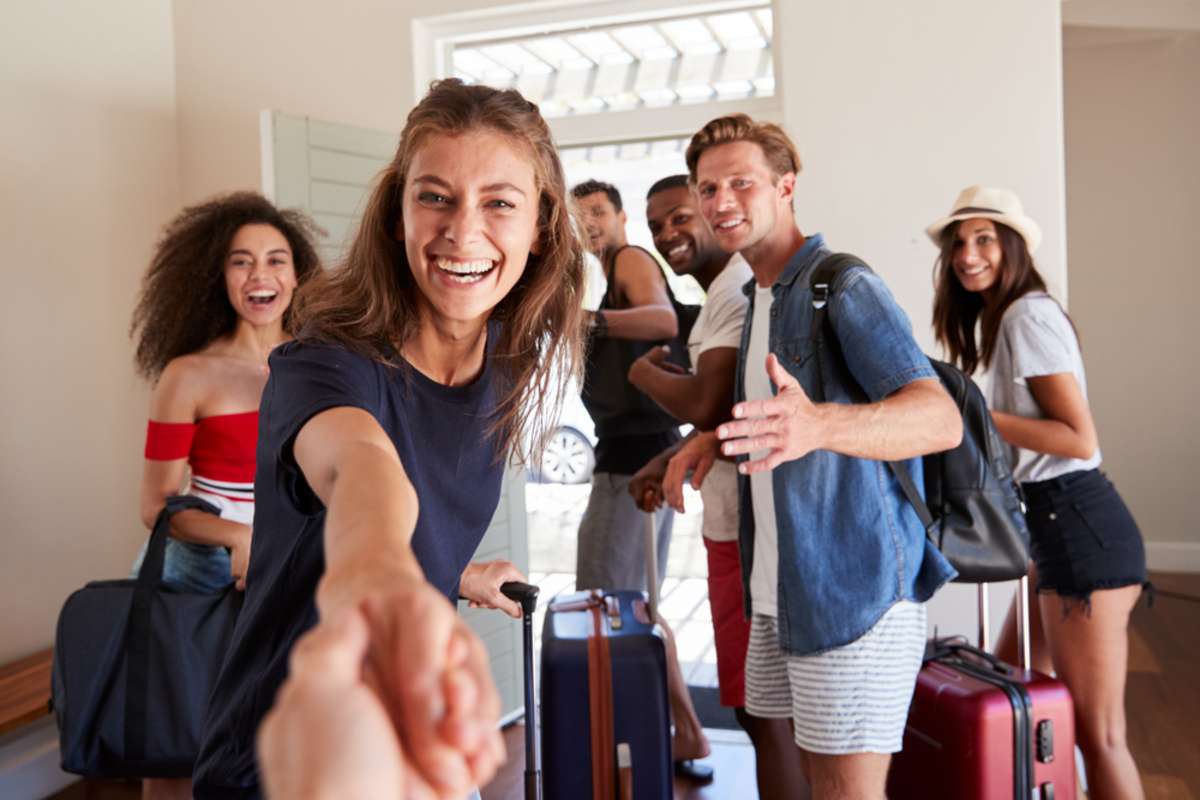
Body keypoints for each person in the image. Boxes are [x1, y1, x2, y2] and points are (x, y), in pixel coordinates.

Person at [192, 78, 587, 800]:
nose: (462, 232)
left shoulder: (502, 353)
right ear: (397, 213)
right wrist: (378, 576)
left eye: (499, 202)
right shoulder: (324, 362)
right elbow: (361, 471)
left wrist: (449, 573)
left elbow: (416, 502)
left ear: (541, 228)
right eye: (435, 196)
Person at [662, 114, 961, 799]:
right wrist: (711, 439)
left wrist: (819, 426)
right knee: (803, 776)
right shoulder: (758, 295)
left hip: (853, 592)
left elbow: (938, 419)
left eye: (741, 182)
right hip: (784, 588)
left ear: (786, 186)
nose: (721, 202)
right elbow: (782, 417)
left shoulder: (841, 285)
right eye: (708, 189)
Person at [927, 185, 1148, 800]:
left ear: (1014, 246)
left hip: (1081, 530)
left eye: (984, 239)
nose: (967, 255)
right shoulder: (1006, 320)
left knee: (1099, 736)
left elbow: (1077, 438)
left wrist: (968, 412)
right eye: (958, 244)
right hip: (1050, 531)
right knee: (1017, 690)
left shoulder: (1027, 314)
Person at [129, 191, 321, 800]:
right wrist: (238, 536)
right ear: (218, 276)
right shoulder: (188, 375)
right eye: (241, 261)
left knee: (280, 751)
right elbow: (157, 506)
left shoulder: (325, 367)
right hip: (196, 578)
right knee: (177, 747)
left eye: (276, 259)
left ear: (298, 273)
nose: (260, 275)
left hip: (285, 576)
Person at [627, 175, 803, 798]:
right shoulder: (726, 295)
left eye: (678, 217)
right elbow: (731, 413)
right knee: (761, 709)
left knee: (762, 711)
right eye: (656, 226)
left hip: (748, 536)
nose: (668, 233)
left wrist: (643, 374)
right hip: (732, 525)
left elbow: (706, 403)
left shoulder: (733, 290)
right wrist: (676, 453)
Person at [572, 179, 680, 595]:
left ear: (622, 217)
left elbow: (663, 320)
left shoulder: (629, 259)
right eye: (580, 217)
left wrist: (589, 322)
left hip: (634, 459)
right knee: (637, 601)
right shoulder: (610, 273)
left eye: (598, 212)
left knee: (603, 601)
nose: (590, 224)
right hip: (641, 452)